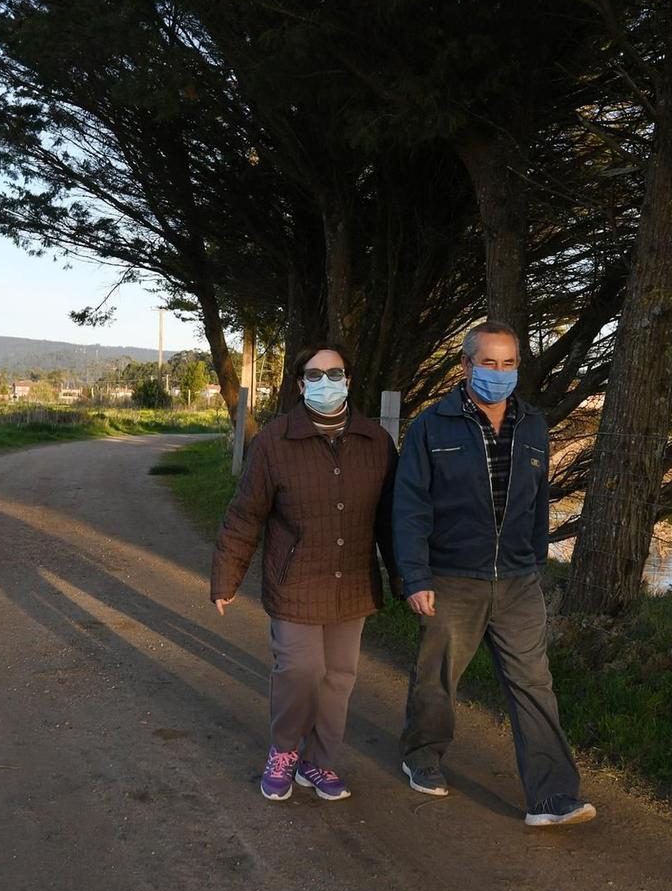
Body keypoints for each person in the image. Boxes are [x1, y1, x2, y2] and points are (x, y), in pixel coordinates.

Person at [392, 321, 595, 828]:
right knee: (437, 678)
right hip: (451, 577)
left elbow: (537, 500)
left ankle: (551, 799)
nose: (499, 373)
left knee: (534, 684)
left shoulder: (533, 425)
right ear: (466, 365)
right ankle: (423, 755)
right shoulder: (430, 427)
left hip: (517, 581)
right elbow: (410, 507)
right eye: (488, 362)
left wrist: (534, 561)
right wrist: (415, 577)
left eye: (509, 364)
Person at [211, 344, 397, 802]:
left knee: (339, 677)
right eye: (314, 376)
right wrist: (226, 578)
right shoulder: (274, 442)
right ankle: (284, 751)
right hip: (295, 582)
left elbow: (393, 520)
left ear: (349, 381)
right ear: (300, 385)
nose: (325, 382)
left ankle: (318, 762)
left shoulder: (377, 442)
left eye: (334, 374)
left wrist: (407, 580)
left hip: (352, 581)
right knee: (300, 669)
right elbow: (244, 515)